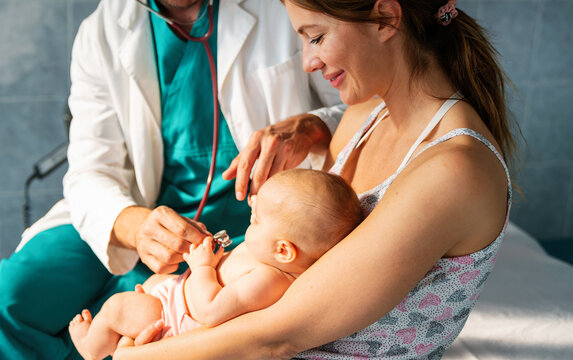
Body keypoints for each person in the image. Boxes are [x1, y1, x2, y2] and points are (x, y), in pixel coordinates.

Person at [113, 0, 519, 359]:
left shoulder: (454, 171)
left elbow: (274, 339)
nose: (309, 61)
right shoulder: (364, 116)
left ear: (385, 18)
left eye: (317, 37)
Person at [0, 0, 345, 358]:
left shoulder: (283, 7)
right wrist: (135, 227)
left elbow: (361, 103)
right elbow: (90, 169)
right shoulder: (102, 31)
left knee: (154, 331)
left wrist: (313, 127)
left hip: (254, 227)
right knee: (9, 299)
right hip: (126, 212)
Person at [69, 169, 362, 360]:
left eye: (256, 219)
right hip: (178, 297)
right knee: (150, 284)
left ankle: (92, 348)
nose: (251, 206)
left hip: (175, 320)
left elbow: (211, 311)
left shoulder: (270, 280)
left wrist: (203, 268)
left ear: (284, 250)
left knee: (118, 307)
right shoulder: (269, 254)